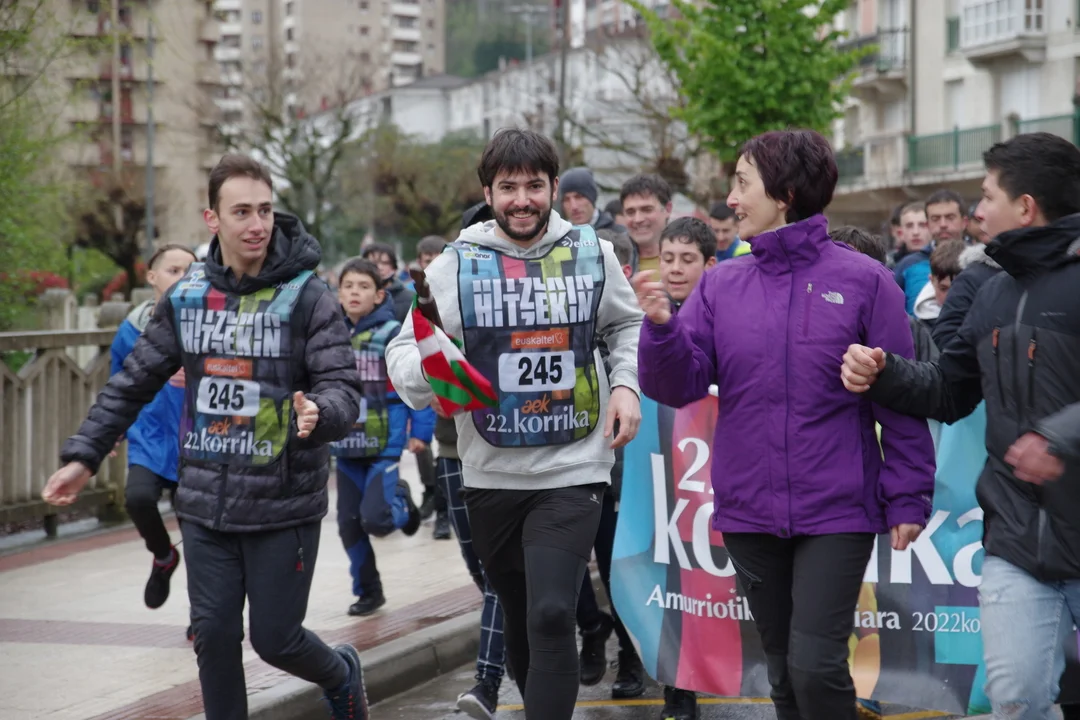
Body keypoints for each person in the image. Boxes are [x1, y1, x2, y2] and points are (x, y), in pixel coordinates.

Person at [42, 154, 369, 720]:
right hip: (204, 503)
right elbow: (134, 380)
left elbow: (342, 385)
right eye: (241, 212)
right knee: (214, 638)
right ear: (212, 219)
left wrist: (322, 412)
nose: (257, 224)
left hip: (281, 503)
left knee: (276, 640)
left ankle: (341, 673)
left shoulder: (309, 296)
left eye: (265, 210)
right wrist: (84, 456)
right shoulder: (188, 296)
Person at [634, 129, 935, 720]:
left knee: (816, 665)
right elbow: (679, 384)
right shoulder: (721, 284)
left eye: (743, 183)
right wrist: (663, 330)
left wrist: (908, 497)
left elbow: (898, 400)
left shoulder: (866, 280)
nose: (732, 199)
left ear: (786, 193)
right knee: (783, 670)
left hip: (839, 511)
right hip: (749, 510)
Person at [385, 128, 644, 720]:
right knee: (526, 618)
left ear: (554, 187)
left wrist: (626, 385)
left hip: (575, 463)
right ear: (488, 193)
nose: (522, 200)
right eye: (508, 188)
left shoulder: (591, 252)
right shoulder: (456, 264)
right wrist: (432, 372)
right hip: (490, 471)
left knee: (552, 613)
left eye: (534, 186)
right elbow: (405, 351)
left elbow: (625, 325)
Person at [840, 132, 1080, 720]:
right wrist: (885, 373)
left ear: (1025, 207)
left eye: (988, 195)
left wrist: (1060, 438)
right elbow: (949, 391)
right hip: (1016, 543)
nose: (977, 211)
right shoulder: (989, 291)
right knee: (1016, 700)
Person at [332, 259, 426, 616]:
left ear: (379, 295)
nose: (355, 292)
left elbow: (415, 383)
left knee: (376, 520)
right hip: (345, 448)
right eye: (348, 286)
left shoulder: (391, 333)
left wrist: (420, 431)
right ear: (339, 293)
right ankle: (369, 591)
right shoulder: (331, 336)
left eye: (363, 286)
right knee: (348, 525)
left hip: (383, 446)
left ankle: (403, 503)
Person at [654, 216, 719, 720]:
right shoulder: (647, 314)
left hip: (716, 470)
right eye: (668, 258)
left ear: (710, 264)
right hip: (661, 471)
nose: (675, 269)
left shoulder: (723, 314)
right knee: (673, 577)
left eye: (687, 259)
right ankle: (679, 688)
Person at [111, 244, 196, 624]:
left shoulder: (208, 323)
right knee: (138, 498)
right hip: (149, 436)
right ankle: (163, 555)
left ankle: (202, 619)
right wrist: (113, 429)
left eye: (190, 271)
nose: (182, 278)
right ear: (152, 277)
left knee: (198, 534)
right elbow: (118, 382)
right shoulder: (130, 329)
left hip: (197, 440)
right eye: (173, 270)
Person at [361, 242, 439, 524]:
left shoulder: (407, 299)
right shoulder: (351, 308)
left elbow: (416, 352)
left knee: (422, 444)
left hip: (404, 388)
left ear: (394, 268)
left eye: (383, 262)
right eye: (372, 261)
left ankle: (431, 492)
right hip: (366, 404)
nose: (378, 266)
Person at [416, 234, 453, 539]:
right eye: (426, 261)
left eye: (436, 259)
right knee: (444, 453)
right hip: (437, 390)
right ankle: (442, 512)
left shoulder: (455, 290)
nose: (431, 266)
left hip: (466, 387)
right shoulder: (416, 299)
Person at [621, 173, 673, 275]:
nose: (638, 219)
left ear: (668, 209)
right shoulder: (609, 257)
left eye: (647, 210)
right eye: (630, 212)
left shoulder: (694, 254)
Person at [559, 166, 627, 232]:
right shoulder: (558, 236)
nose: (574, 206)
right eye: (566, 200)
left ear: (592, 198)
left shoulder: (618, 234)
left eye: (579, 197)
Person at [893, 202, 933, 315]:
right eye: (909, 226)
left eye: (922, 225)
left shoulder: (944, 260)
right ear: (900, 233)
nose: (916, 232)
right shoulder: (889, 267)